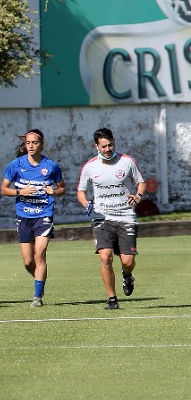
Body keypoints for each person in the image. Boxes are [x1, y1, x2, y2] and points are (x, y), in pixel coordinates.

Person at [76, 127, 147, 309]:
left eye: (110, 145)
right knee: (105, 257)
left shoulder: (127, 162)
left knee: (127, 261)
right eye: (104, 146)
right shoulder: (90, 166)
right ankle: (112, 299)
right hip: (102, 218)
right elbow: (81, 191)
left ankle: (127, 275)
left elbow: (141, 182)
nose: (108, 149)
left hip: (126, 217)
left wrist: (138, 195)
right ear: (96, 147)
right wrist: (85, 203)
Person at [1, 129, 66, 307]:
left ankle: (37, 297)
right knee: (28, 261)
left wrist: (55, 191)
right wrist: (20, 191)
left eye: (34, 143)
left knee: (40, 254)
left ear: (42, 145)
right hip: (24, 215)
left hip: (44, 214)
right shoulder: (16, 165)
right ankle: (40, 280)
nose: (31, 146)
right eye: (28, 143)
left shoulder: (51, 166)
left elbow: (62, 188)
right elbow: (3, 189)